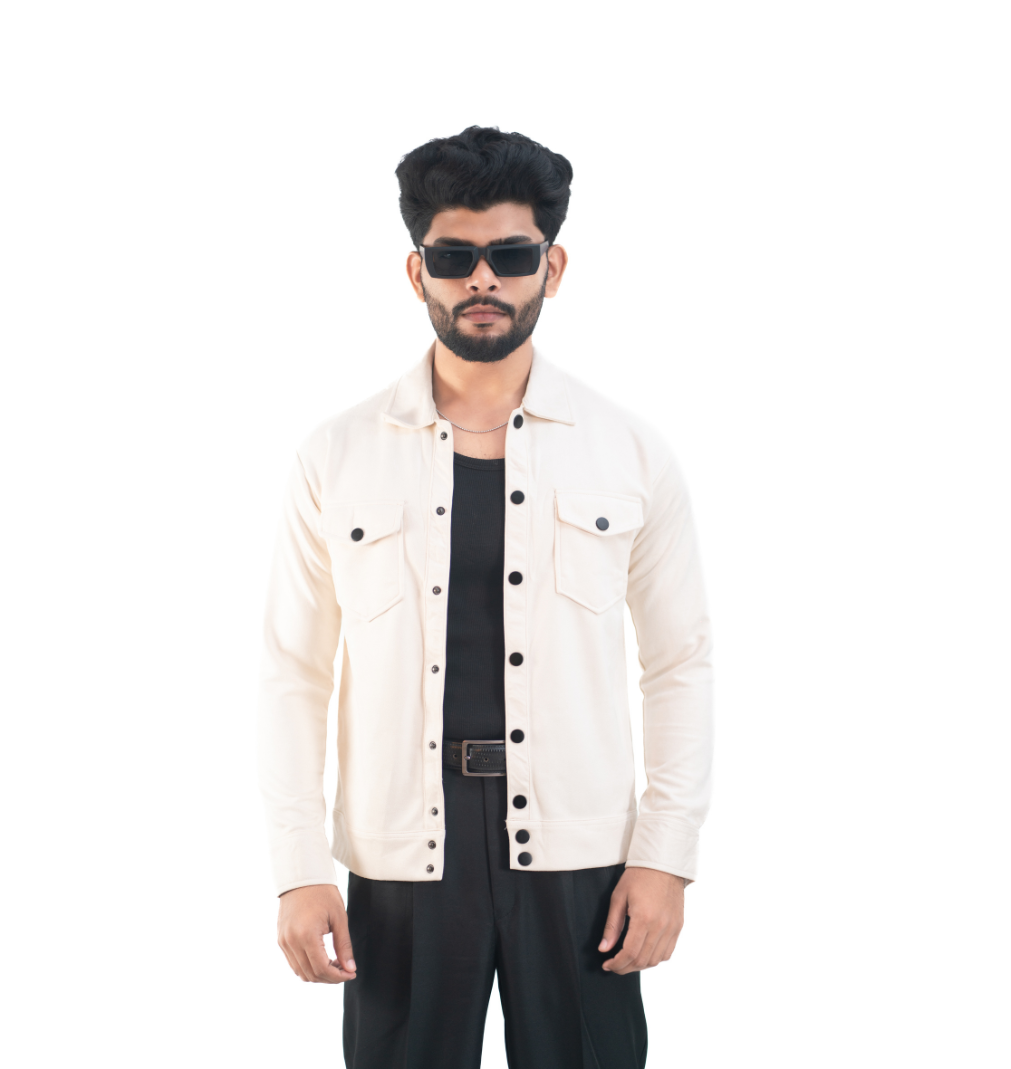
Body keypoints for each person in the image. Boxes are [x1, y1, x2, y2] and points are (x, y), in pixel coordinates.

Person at [258, 125, 713, 1069]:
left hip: (581, 853)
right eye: (453, 257)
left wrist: (665, 854)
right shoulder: (337, 455)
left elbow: (680, 664)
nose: (482, 280)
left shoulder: (628, 453)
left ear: (553, 266)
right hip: (402, 856)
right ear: (416, 272)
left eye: (509, 256)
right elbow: (294, 673)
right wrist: (299, 868)